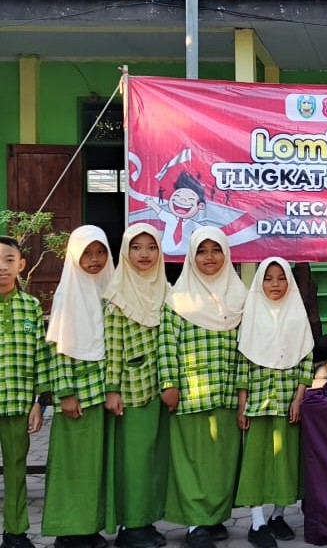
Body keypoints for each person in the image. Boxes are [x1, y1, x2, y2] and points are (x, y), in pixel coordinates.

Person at [157, 226, 246, 548]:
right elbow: (167, 345)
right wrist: (169, 384)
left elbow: (247, 348)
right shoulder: (178, 298)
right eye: (202, 251)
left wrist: (243, 393)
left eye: (216, 250)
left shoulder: (239, 297)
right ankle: (196, 524)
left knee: (222, 460)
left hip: (227, 392)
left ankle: (214, 518)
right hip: (191, 393)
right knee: (191, 460)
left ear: (227, 254)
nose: (209, 257)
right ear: (191, 257)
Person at [42, 225, 114, 548]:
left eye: (100, 252)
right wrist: (65, 394)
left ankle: (88, 527)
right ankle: (67, 531)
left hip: (101, 394)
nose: (94, 260)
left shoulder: (109, 290)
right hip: (76, 397)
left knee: (94, 465)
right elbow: (58, 349)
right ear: (73, 256)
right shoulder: (66, 294)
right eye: (86, 253)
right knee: (72, 465)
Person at [235, 258, 315, 547]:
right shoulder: (252, 314)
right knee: (255, 462)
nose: (275, 284)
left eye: (281, 278)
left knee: (285, 461)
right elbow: (243, 364)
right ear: (259, 282)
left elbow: (306, 359)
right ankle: (257, 522)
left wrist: (299, 397)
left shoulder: (297, 314)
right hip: (258, 404)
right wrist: (242, 404)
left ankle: (278, 516)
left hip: (287, 403)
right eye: (268, 278)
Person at [103, 224, 170, 548]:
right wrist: (112, 389)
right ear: (125, 251)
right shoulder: (117, 294)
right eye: (136, 247)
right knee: (134, 461)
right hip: (131, 392)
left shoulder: (166, 290)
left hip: (160, 389)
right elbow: (113, 347)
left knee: (154, 459)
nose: (144, 254)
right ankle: (130, 526)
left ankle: (145, 521)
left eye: (151, 247)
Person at [0, 236, 50, 548]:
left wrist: (39, 402)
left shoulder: (30, 307)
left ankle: (15, 532)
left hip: (17, 404)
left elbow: (41, 357)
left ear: (20, 265)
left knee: (16, 469)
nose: (1, 267)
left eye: (8, 260)